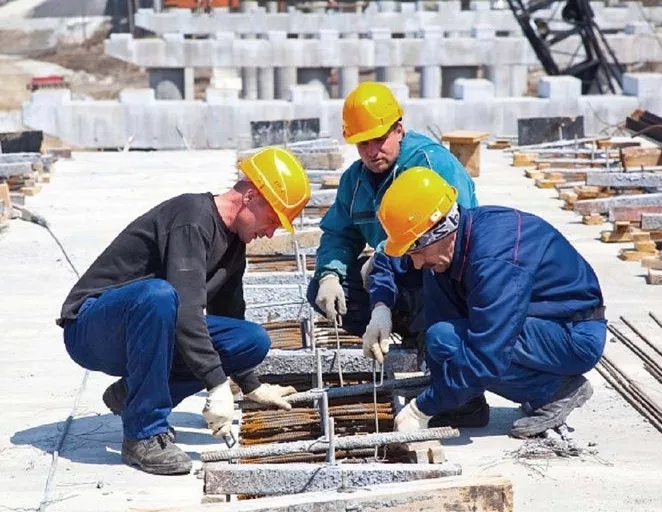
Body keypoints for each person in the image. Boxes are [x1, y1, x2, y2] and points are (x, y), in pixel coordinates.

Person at [56, 147, 311, 475]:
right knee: (161, 296)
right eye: (272, 219)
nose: (270, 232)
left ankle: (132, 395)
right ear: (250, 196)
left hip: (147, 326)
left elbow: (229, 315)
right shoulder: (192, 218)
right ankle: (143, 434)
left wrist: (250, 384)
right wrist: (218, 385)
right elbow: (188, 311)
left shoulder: (234, 243)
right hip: (92, 328)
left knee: (251, 340)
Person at [368, 166, 606, 438]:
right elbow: (389, 260)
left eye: (418, 251)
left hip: (571, 333)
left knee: (452, 340)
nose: (417, 261)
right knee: (440, 334)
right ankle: (466, 404)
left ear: (440, 229)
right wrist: (381, 306)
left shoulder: (494, 259)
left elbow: (487, 353)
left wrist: (423, 408)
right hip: (537, 322)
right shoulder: (445, 245)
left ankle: (555, 391)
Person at [308, 80, 483, 427]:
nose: (372, 151)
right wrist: (330, 273)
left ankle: (462, 391)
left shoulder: (432, 165)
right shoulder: (355, 181)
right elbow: (339, 234)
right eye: (362, 144)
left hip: (439, 273)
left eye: (379, 139)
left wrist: (393, 256)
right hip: (396, 273)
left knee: (433, 290)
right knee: (322, 291)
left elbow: (454, 238)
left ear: (399, 129)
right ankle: (408, 330)